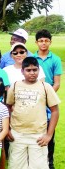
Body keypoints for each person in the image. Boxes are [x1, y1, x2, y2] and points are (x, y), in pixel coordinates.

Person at [6, 57, 60, 169]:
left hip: (38, 135)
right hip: (17, 134)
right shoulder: (15, 86)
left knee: (38, 166)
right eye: (28, 70)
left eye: (35, 70)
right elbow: (8, 107)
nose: (32, 73)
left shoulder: (45, 87)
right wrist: (7, 129)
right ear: (22, 71)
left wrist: (49, 135)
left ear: (39, 70)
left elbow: (55, 111)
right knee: (16, 165)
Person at [33, 29, 62, 169]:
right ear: (36, 42)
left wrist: (46, 95)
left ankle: (49, 163)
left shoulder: (55, 59)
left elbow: (57, 83)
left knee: (49, 128)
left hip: (48, 99)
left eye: (46, 41)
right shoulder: (32, 58)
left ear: (50, 42)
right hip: (33, 98)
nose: (43, 43)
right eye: (41, 41)